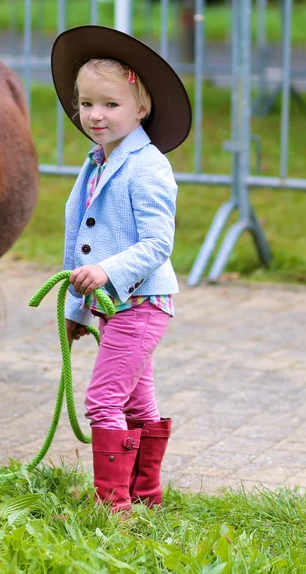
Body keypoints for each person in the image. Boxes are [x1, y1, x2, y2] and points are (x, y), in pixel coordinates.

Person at [51, 25, 192, 513]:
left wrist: (108, 271)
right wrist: (77, 311)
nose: (95, 115)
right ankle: (145, 496)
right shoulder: (95, 163)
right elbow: (79, 246)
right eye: (87, 103)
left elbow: (158, 243)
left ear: (141, 109)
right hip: (114, 306)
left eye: (111, 105)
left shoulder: (148, 166)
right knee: (135, 403)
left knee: (102, 401)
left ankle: (114, 505)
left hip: (142, 303)